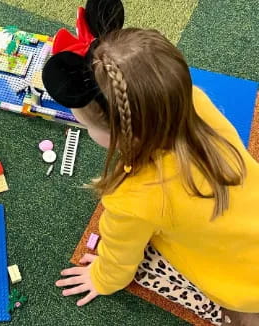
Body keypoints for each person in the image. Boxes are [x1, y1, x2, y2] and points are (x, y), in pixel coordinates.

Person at [42, 1, 259, 325]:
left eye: (88, 127)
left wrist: (100, 279)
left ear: (119, 134)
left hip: (244, 288)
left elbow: (119, 262)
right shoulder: (197, 102)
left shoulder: (133, 199)